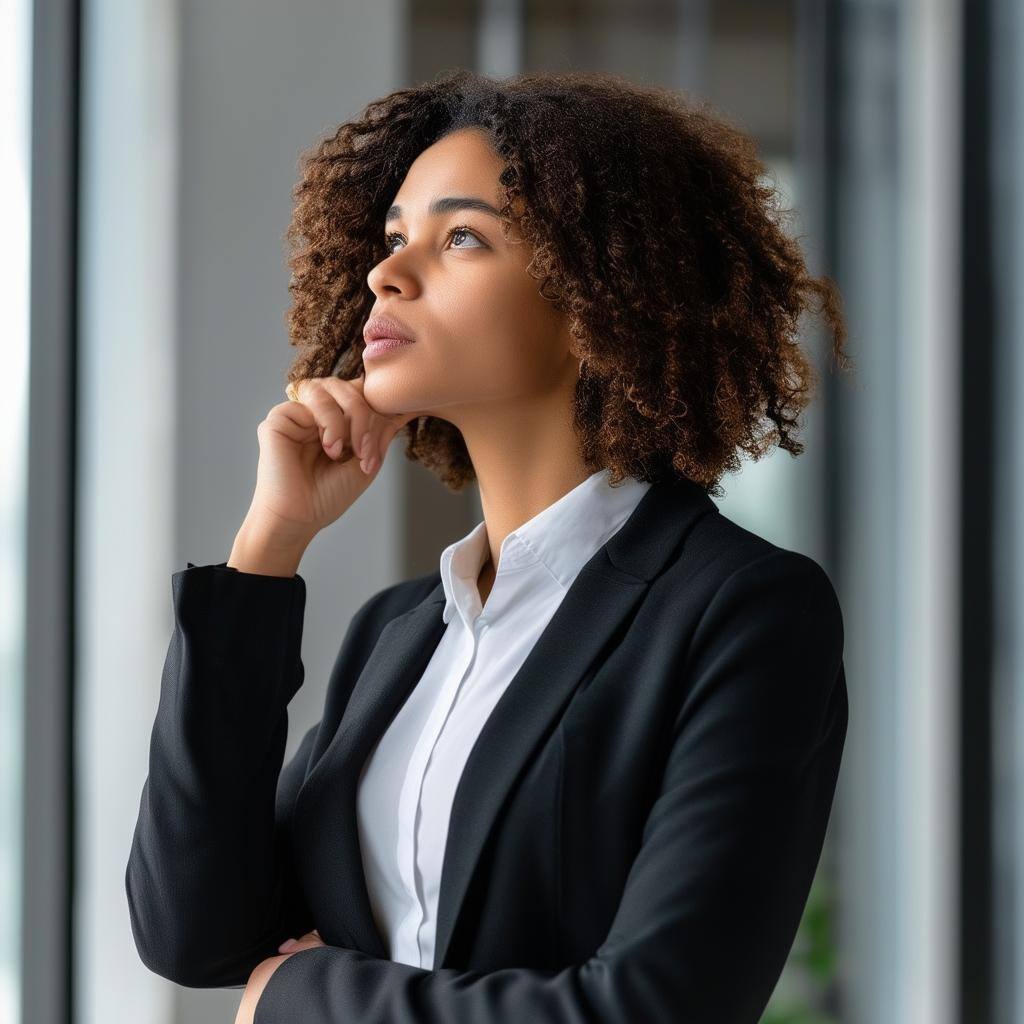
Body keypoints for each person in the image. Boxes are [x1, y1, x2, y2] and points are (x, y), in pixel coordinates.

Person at [125, 68, 854, 1024]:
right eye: (394, 238)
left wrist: (306, 997)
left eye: (461, 236)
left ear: (600, 296)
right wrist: (272, 544)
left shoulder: (739, 609)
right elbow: (195, 932)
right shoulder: (400, 634)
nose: (390, 271)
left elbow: (659, 1005)